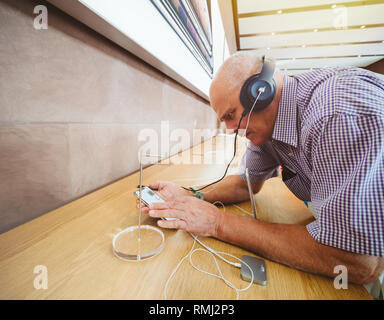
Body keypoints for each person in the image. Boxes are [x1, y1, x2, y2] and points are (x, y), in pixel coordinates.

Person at [139, 52, 384, 288]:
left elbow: (359, 262)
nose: (230, 129)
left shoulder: (336, 114)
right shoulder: (267, 127)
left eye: (231, 115)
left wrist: (217, 223)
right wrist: (192, 195)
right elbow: (244, 183)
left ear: (260, 91)